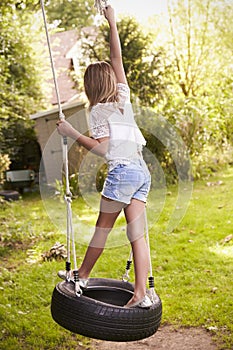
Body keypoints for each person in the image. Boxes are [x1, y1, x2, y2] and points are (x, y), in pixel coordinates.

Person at [56, 5, 152, 308]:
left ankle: (82, 276)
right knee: (138, 236)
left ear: (90, 87)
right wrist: (112, 22)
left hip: (123, 172)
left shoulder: (98, 110)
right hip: (141, 172)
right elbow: (116, 58)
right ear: (111, 81)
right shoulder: (123, 98)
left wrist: (71, 133)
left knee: (102, 230)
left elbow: (104, 148)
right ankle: (141, 294)